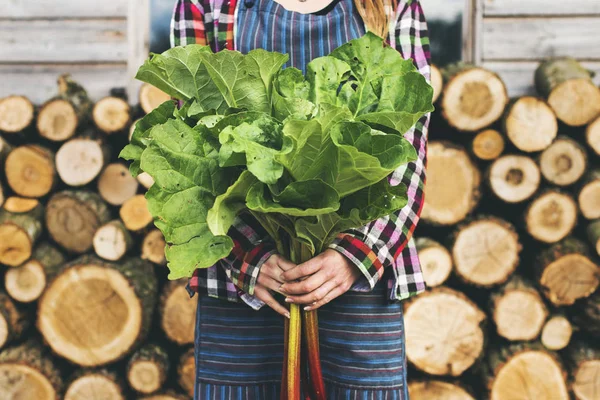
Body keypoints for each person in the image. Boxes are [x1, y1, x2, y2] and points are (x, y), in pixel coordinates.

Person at [171, 0, 430, 398]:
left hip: (358, 274)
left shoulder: (394, 3)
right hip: (244, 280)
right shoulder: (206, 4)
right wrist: (246, 258)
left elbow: (408, 148)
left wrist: (356, 254)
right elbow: (193, 143)